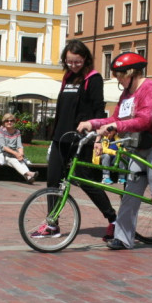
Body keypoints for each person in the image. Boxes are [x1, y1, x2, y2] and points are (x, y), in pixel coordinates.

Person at [77, 52, 152, 256]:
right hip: (141, 146)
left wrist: (115, 125)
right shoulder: (127, 93)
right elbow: (117, 117)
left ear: (132, 73)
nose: (117, 79)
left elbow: (145, 120)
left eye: (120, 75)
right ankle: (123, 238)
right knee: (130, 193)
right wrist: (93, 123)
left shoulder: (149, 88)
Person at [38, 40, 117, 239]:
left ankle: (113, 219)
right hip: (60, 139)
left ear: (85, 59)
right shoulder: (67, 78)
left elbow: (99, 109)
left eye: (77, 62)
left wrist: (98, 138)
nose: (73, 65)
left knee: (86, 181)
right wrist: (53, 137)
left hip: (81, 140)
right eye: (70, 61)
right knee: (53, 181)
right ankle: (52, 224)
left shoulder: (93, 78)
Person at [0, 113, 36, 183]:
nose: (9, 122)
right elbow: (4, 147)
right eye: (7, 121)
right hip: (2, 154)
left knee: (20, 160)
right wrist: (16, 154)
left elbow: (19, 146)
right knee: (13, 160)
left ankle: (28, 178)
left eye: (11, 121)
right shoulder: (1, 132)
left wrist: (21, 154)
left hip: (13, 153)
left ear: (14, 122)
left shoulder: (17, 132)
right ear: (4, 122)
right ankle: (29, 173)